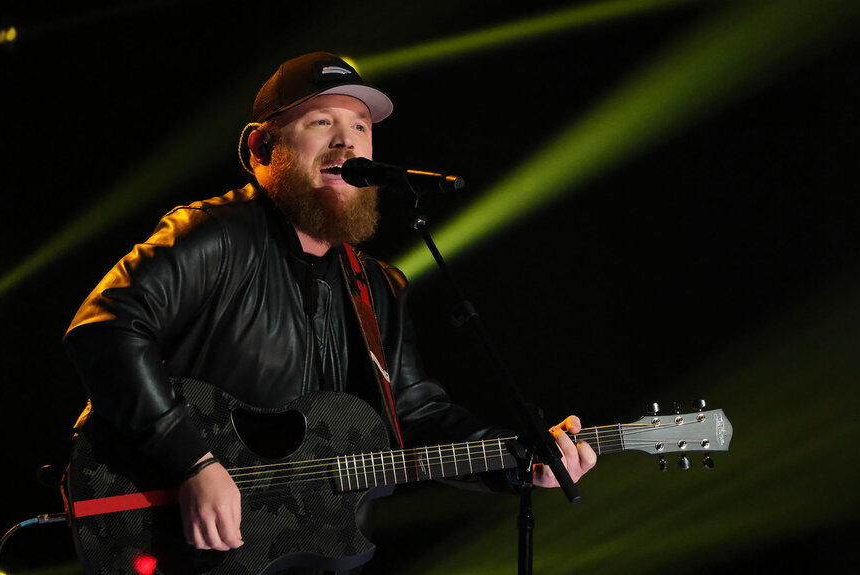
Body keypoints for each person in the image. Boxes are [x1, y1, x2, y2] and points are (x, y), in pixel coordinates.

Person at [63, 52, 596, 571]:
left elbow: (415, 420)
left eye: (361, 126)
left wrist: (520, 462)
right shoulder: (215, 234)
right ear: (261, 146)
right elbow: (104, 328)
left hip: (298, 551)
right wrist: (194, 462)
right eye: (322, 121)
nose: (347, 141)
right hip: (172, 535)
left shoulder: (379, 287)